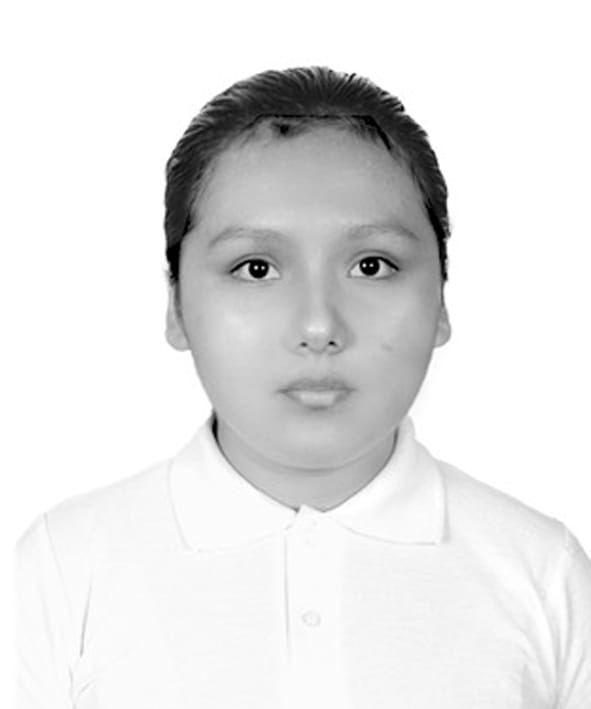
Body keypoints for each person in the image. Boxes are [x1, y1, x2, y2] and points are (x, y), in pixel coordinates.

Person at [15, 65, 591, 709]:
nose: (319, 327)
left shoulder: (545, 574)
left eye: (372, 265)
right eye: (256, 268)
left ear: (441, 300)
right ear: (176, 304)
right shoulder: (64, 568)